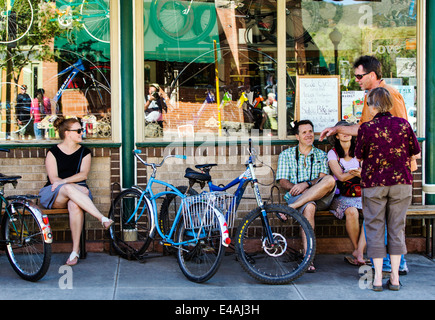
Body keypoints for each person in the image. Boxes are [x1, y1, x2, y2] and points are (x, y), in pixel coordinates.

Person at [319, 55, 419, 273]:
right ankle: (390, 267)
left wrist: (408, 162)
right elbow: (364, 128)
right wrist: (337, 129)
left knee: (388, 222)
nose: (356, 80)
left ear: (372, 75)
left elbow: (402, 131)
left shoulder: (389, 95)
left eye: (359, 76)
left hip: (391, 175)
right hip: (381, 174)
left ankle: (395, 267)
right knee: (383, 221)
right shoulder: (372, 97)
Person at [355, 87, 421, 291]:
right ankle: (394, 277)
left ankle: (376, 279)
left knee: (374, 229)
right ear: (390, 104)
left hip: (374, 183)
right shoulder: (403, 125)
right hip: (401, 182)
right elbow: (415, 152)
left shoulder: (366, 128)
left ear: (373, 106)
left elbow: (359, 155)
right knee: (396, 228)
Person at [38, 117, 113, 266]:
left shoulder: (84, 152)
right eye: (78, 130)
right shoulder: (52, 152)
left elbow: (83, 175)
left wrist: (66, 181)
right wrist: (70, 185)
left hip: (77, 195)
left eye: (82, 130)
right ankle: (101, 218)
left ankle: (75, 251)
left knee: (74, 205)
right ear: (67, 133)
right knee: (69, 189)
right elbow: (54, 180)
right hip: (55, 194)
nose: (81, 133)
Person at [276, 120, 336, 272]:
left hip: (320, 197)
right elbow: (282, 181)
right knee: (309, 206)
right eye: (304, 132)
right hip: (297, 197)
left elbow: (323, 179)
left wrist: (307, 184)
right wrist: (296, 188)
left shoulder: (321, 155)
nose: (309, 135)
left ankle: (289, 209)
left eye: (310, 131)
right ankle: (308, 258)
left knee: (329, 179)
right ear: (297, 136)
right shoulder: (286, 155)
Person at [327, 121, 366, 266]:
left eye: (348, 131)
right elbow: (340, 177)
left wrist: (361, 174)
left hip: (361, 193)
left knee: (373, 213)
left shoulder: (360, 151)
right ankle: (356, 248)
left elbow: (368, 175)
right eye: (342, 131)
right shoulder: (333, 154)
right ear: (336, 136)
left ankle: (360, 252)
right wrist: (357, 173)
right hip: (342, 195)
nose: (346, 134)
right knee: (351, 212)